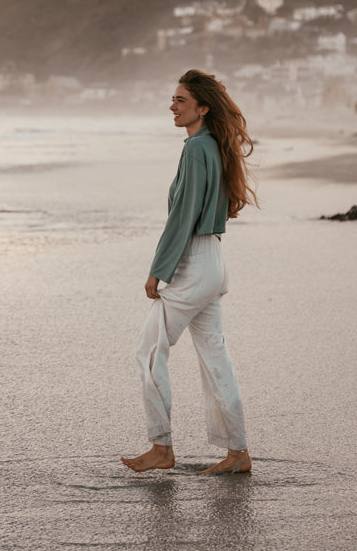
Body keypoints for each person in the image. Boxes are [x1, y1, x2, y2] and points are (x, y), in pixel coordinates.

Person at [121, 69, 257, 475]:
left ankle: (161, 447)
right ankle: (237, 453)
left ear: (202, 107)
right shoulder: (213, 146)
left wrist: (157, 271)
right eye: (173, 99)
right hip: (212, 261)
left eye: (181, 100)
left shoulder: (197, 148)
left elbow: (182, 216)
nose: (173, 106)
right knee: (217, 359)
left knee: (148, 351)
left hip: (193, 263)